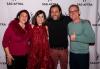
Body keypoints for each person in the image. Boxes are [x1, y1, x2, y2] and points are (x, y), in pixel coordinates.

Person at [68, 4, 95, 69]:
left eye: (75, 11)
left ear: (79, 12)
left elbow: (92, 39)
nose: (72, 13)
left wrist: (76, 37)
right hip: (72, 54)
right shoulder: (69, 25)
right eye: (70, 11)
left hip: (82, 55)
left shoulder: (85, 23)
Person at [47, 4, 71, 69]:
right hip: (52, 50)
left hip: (64, 50)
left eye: (56, 11)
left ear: (60, 12)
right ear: (50, 13)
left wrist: (85, 22)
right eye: (52, 12)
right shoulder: (47, 21)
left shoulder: (66, 19)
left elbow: (76, 19)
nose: (54, 13)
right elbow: (37, 22)